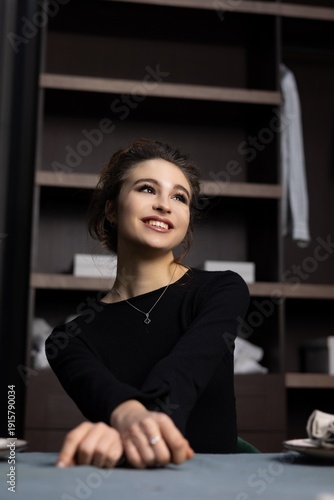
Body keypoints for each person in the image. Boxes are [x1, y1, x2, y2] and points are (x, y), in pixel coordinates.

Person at [45, 138, 250, 470]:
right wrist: (126, 414)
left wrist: (136, 421)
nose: (164, 205)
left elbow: (184, 374)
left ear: (186, 220)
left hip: (217, 486)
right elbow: (107, 399)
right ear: (111, 208)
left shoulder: (221, 290)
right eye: (146, 189)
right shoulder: (68, 340)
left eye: (179, 197)